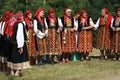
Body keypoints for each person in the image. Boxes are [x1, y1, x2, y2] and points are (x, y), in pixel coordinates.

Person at [10, 11, 29, 76]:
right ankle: (17, 72)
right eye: (22, 16)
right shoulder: (20, 24)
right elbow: (19, 35)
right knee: (20, 58)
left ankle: (12, 71)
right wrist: (21, 46)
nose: (23, 17)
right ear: (20, 17)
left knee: (14, 57)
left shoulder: (14, 23)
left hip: (13, 43)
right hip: (19, 43)